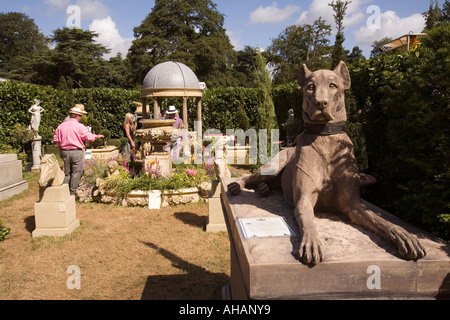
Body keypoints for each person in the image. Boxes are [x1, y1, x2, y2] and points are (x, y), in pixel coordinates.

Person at [53, 106, 104, 196]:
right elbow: (88, 137)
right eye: (80, 116)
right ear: (77, 116)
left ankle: (64, 191)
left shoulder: (61, 126)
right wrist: (96, 136)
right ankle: (72, 193)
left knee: (66, 173)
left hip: (65, 151)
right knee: (76, 172)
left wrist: (61, 150)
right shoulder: (79, 126)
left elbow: (56, 140)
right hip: (76, 151)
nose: (80, 117)